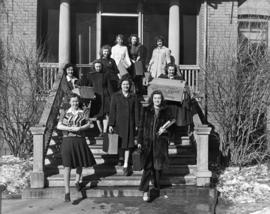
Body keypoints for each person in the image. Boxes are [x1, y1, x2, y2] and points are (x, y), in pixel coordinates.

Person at [57, 93, 96, 202]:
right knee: (67, 166)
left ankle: (77, 181)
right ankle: (67, 192)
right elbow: (58, 125)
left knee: (79, 163)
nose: (75, 103)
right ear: (70, 102)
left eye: (77, 101)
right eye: (73, 101)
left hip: (79, 139)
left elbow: (89, 124)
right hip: (67, 140)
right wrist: (70, 128)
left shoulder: (83, 112)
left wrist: (79, 128)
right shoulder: (65, 112)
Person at [137, 90, 174, 202]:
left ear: (161, 99)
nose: (157, 100)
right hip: (148, 143)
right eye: (155, 98)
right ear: (152, 99)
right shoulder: (146, 110)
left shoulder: (166, 111)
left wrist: (165, 130)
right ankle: (145, 191)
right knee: (147, 168)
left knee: (157, 168)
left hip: (160, 144)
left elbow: (172, 125)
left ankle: (156, 187)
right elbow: (141, 126)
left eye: (159, 98)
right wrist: (139, 140)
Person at [108, 76, 139, 175]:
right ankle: (120, 158)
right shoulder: (115, 96)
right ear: (120, 85)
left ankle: (126, 165)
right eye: (124, 84)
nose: (126, 86)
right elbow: (112, 111)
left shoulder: (133, 97)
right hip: (118, 124)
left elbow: (136, 111)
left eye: (127, 84)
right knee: (120, 144)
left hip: (130, 123)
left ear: (130, 86)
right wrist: (111, 124)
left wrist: (137, 124)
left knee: (128, 145)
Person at [159, 63, 192, 142]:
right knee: (165, 121)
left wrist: (184, 90)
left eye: (172, 70)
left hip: (175, 104)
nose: (171, 71)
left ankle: (172, 139)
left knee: (173, 121)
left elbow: (185, 88)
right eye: (169, 70)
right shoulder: (162, 77)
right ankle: (165, 138)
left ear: (174, 71)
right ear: (167, 70)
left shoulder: (179, 79)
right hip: (165, 104)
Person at [82, 60, 113, 136]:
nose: (98, 68)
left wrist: (112, 96)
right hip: (96, 97)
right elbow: (89, 86)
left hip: (105, 97)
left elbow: (109, 86)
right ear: (94, 67)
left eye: (99, 66)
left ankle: (105, 131)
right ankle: (101, 131)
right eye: (96, 66)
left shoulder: (105, 74)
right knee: (98, 115)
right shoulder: (90, 75)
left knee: (105, 114)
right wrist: (90, 95)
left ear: (102, 67)